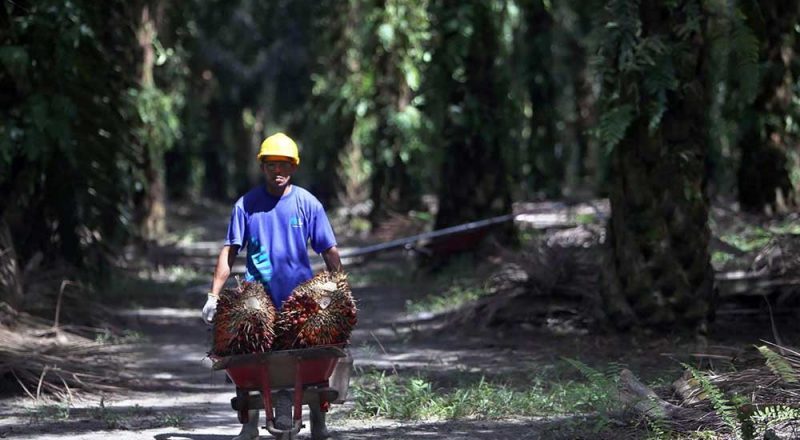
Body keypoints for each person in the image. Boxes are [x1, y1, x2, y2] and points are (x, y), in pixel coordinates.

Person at [202, 132, 344, 440]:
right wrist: (213, 296)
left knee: (318, 353)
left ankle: (319, 421)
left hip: (301, 299)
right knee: (243, 348)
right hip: (257, 298)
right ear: (262, 167)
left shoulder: (308, 204)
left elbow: (329, 251)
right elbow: (229, 253)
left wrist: (339, 291)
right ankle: (250, 423)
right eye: (270, 165)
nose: (277, 172)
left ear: (293, 167)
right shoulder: (247, 206)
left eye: (284, 165)